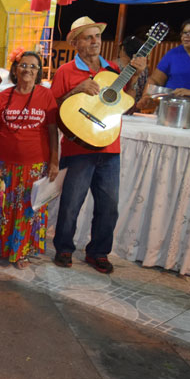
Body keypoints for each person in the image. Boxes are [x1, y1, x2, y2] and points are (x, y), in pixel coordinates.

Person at [50, 16, 146, 274]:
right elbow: (54, 108)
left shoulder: (115, 70)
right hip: (78, 147)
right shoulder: (65, 71)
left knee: (109, 206)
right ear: (75, 43)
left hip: (109, 147)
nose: (95, 42)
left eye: (97, 36)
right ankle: (64, 248)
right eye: (88, 37)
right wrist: (76, 90)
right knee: (71, 203)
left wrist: (136, 77)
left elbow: (129, 104)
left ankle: (99, 252)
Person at [0, 51, 59, 269]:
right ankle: (1, 248)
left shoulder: (46, 96)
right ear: (15, 69)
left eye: (33, 66)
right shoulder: (3, 96)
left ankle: (21, 251)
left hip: (36, 164)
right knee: (3, 208)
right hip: (5, 163)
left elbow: (52, 131)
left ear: (38, 72)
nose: (28, 69)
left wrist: (54, 161)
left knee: (27, 210)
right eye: (23, 65)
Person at [148, 15, 190, 92]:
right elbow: (155, 80)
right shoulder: (173, 54)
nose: (185, 36)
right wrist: (146, 95)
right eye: (184, 32)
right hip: (172, 102)